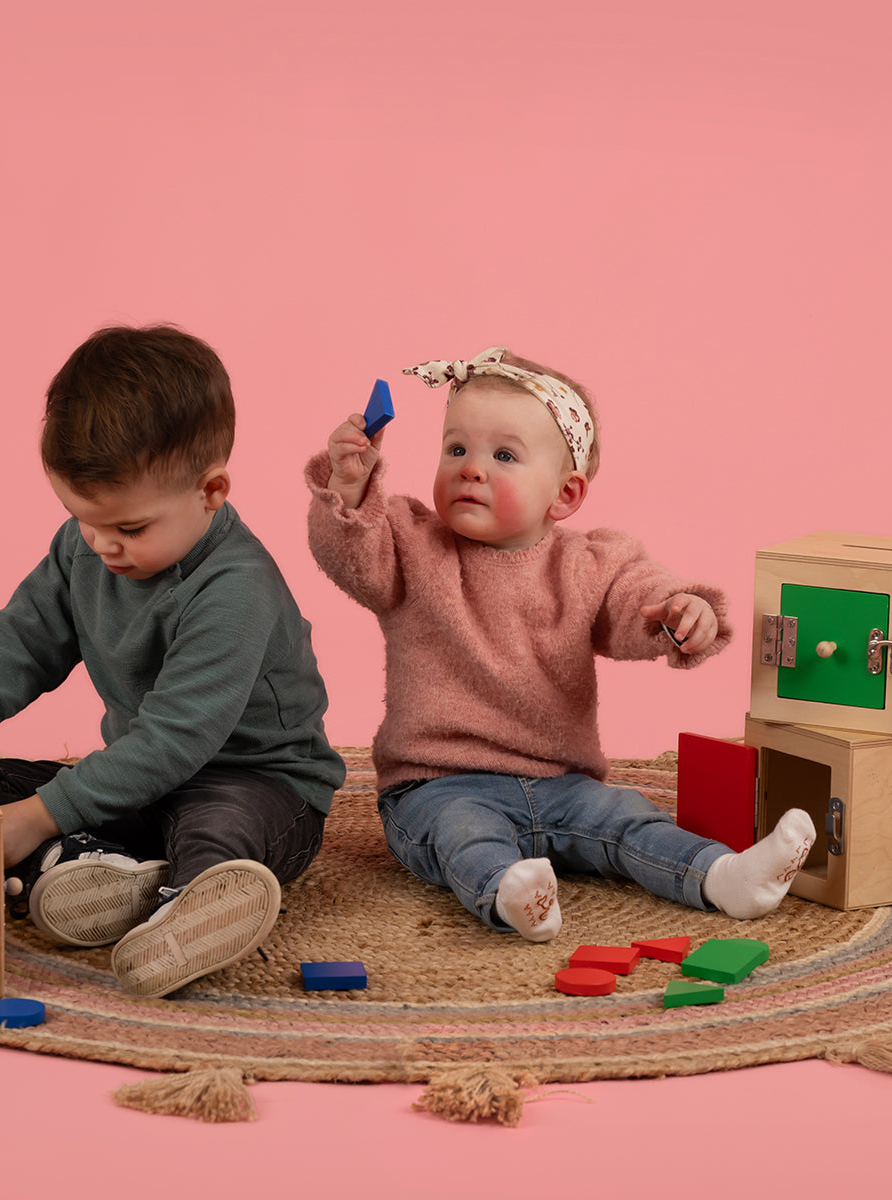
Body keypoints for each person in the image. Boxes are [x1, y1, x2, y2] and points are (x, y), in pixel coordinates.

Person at [0, 324, 345, 995]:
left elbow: (173, 742)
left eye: (130, 528)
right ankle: (112, 876)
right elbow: (25, 635)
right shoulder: (85, 547)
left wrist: (39, 817)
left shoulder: (235, 588)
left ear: (211, 492)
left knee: (216, 827)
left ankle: (186, 909)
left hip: (259, 785)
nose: (102, 545)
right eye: (82, 519)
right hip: (144, 784)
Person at [306, 345, 813, 942]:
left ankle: (723, 876)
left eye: (504, 455)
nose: (472, 468)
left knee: (628, 819)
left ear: (565, 496)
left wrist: (681, 610)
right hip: (436, 783)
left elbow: (635, 596)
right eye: (456, 448)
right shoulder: (410, 544)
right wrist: (349, 483)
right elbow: (348, 554)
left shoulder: (589, 563)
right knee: (462, 834)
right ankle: (510, 893)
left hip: (564, 784)